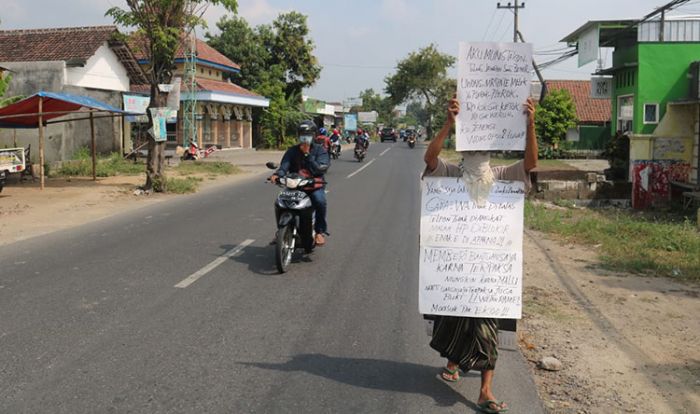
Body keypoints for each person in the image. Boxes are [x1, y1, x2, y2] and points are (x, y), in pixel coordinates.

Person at [423, 96, 537, 414]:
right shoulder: (449, 173)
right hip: (457, 271)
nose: (476, 150)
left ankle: (485, 389)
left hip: (489, 274)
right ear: (462, 147)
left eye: (482, 145)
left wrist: (530, 125)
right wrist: (448, 123)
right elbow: (429, 158)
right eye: (471, 145)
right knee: (455, 320)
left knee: (487, 328)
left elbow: (530, 165)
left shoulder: (502, 176)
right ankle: (454, 360)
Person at [270, 120, 330, 246]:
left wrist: (307, 154)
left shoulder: (320, 151)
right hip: (295, 185)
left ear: (314, 135)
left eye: (307, 134)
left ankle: (319, 231)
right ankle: (280, 231)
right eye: (302, 134)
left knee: (320, 201)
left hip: (313, 185)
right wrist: (277, 175)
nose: (304, 137)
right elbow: (284, 167)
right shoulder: (292, 151)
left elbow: (320, 168)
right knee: (280, 202)